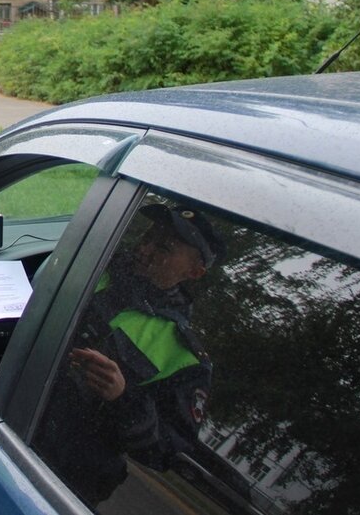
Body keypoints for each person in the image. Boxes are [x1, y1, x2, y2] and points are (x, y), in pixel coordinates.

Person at [36, 202, 225, 507]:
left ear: (194, 271)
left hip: (57, 480)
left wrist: (122, 398)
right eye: (148, 237)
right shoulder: (91, 263)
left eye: (162, 248)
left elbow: (166, 452)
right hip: (1, 409)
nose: (145, 249)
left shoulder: (185, 357)